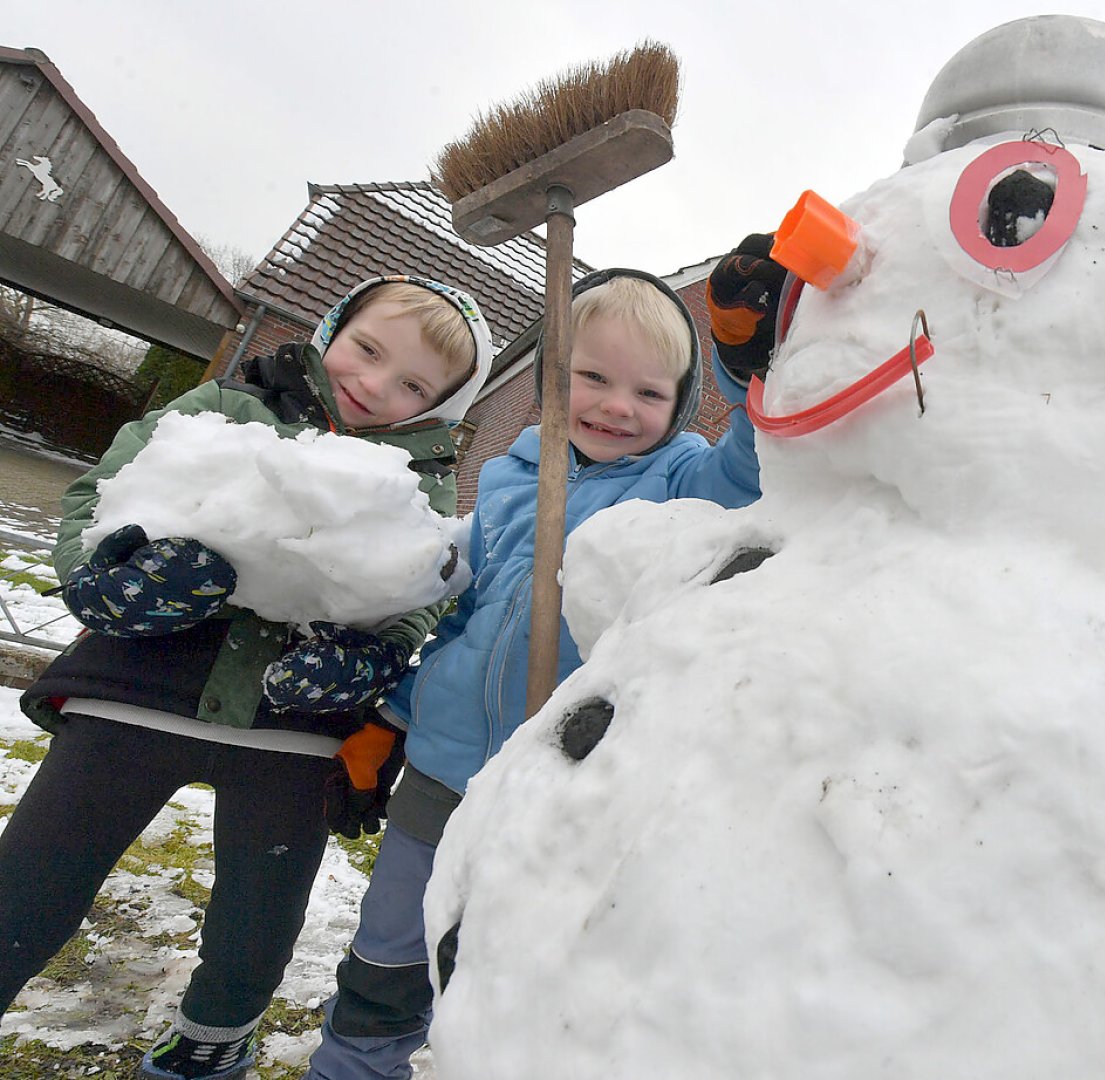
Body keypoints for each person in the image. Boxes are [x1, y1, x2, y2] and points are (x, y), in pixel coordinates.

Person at [0, 277, 496, 1080]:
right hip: (139, 695)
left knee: (257, 923)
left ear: (437, 404)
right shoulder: (225, 410)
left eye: (411, 385)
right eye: (367, 351)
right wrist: (108, 570)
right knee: (32, 880)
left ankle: (212, 1042)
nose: (372, 385)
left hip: (292, 732)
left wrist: (368, 658)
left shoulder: (419, 484)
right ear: (332, 326)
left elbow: (418, 596)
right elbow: (100, 496)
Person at [302, 255, 781, 1080]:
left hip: (561, 784)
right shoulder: (504, 478)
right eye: (591, 376)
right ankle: (352, 1066)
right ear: (550, 380)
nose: (615, 406)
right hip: (443, 768)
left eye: (647, 392)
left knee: (506, 964)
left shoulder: (680, 483)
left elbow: (747, 468)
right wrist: (393, 719)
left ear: (678, 407)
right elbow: (464, 614)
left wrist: (748, 371)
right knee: (387, 947)